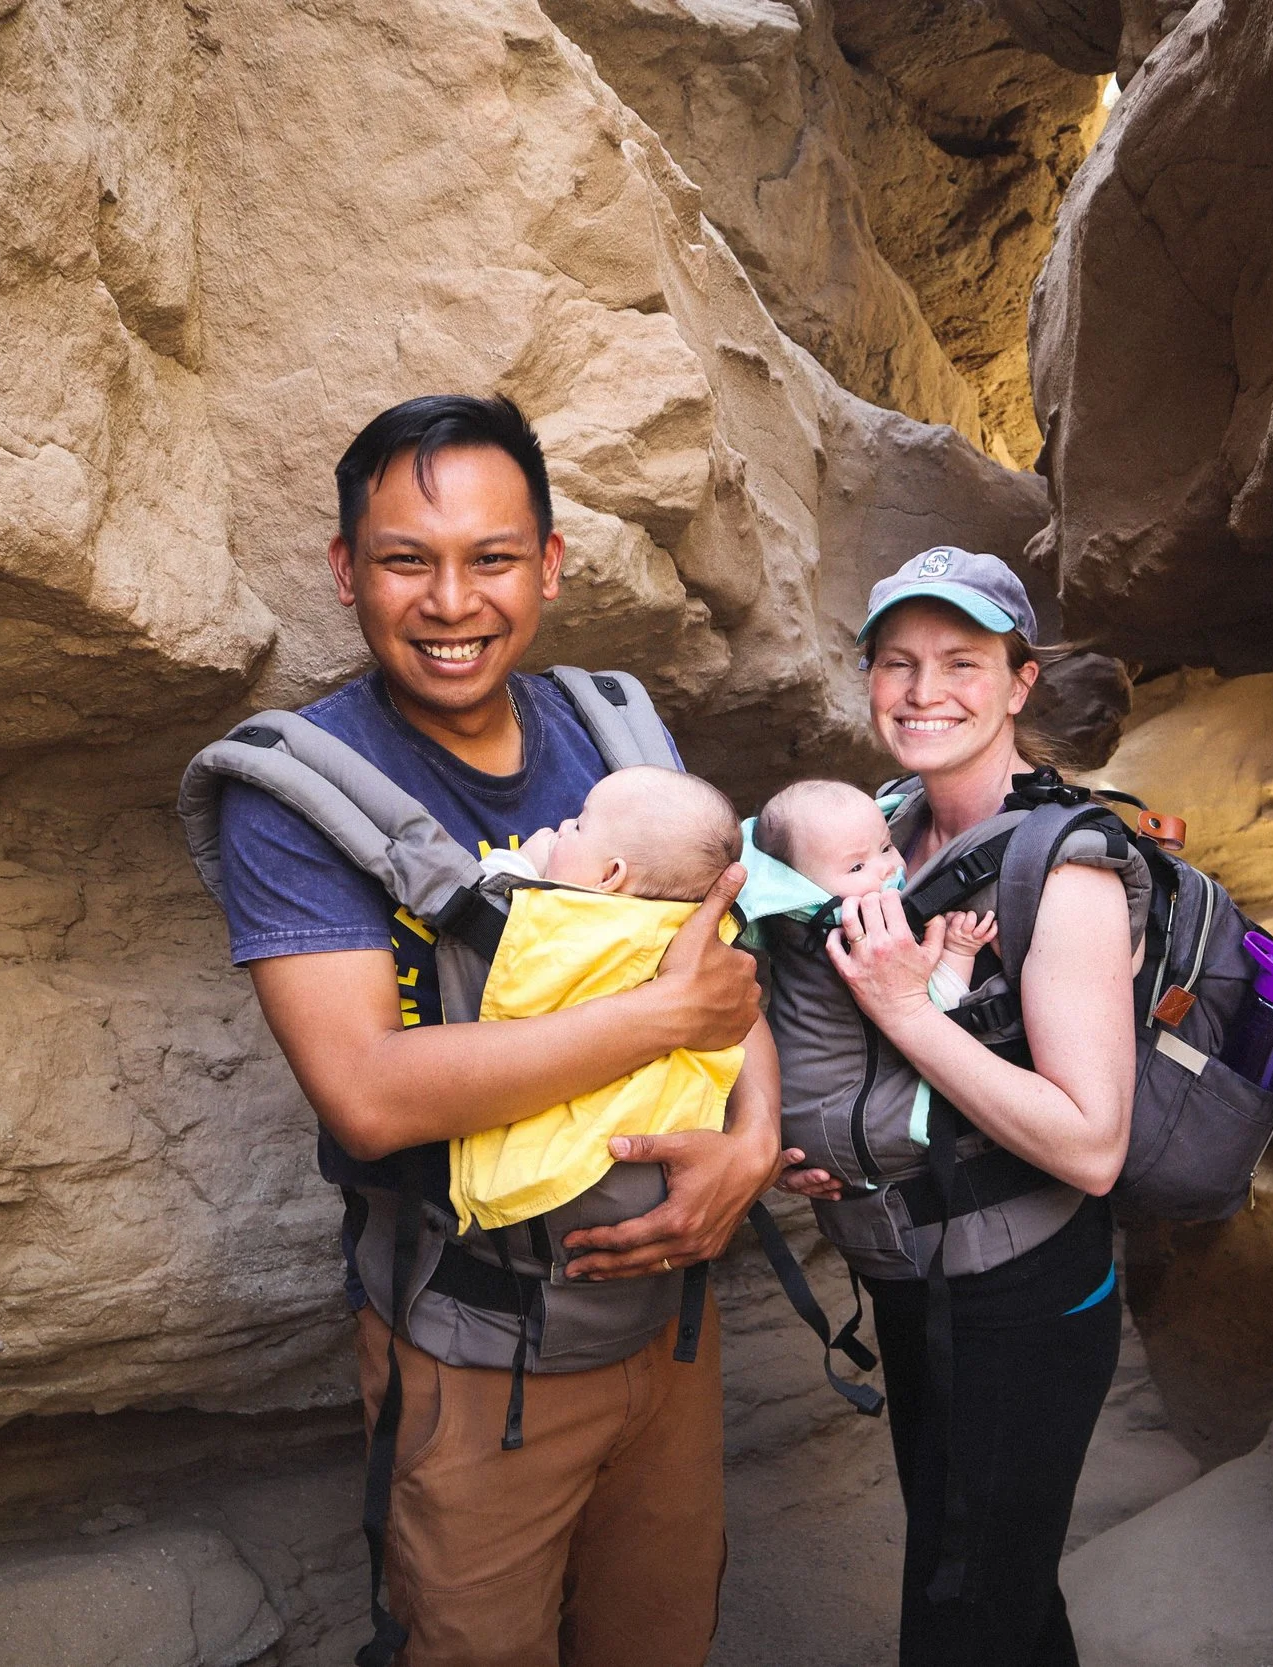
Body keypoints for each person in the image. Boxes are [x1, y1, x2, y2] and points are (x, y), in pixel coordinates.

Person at [211, 394, 786, 1667]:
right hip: (473, 1350)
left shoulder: (618, 738)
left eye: (491, 557)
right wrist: (659, 1016)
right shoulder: (299, 790)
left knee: (661, 1630)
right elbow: (370, 1092)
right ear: (346, 570)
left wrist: (755, 1137)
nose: (451, 601)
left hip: (668, 1316)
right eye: (405, 559)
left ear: (550, 563)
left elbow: (721, 960)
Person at [771, 547, 1145, 1667]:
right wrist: (809, 1144)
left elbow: (1092, 1144)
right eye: (896, 661)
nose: (921, 689)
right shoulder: (874, 832)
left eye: (960, 661)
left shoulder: (1064, 871)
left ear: (1021, 681)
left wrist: (906, 1008)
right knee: (992, 1584)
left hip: (1023, 1295)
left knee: (963, 1602)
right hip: (912, 1275)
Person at [454, 767, 749, 1234]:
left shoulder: (569, 926)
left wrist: (522, 866)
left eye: (577, 825)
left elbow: (518, 983)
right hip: (653, 1154)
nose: (560, 827)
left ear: (610, 876)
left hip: (563, 1157)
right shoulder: (688, 928)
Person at [746, 777, 997, 1012]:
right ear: (800, 887)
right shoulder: (860, 938)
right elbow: (938, 1011)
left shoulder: (783, 925)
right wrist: (958, 951)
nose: (888, 867)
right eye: (857, 867)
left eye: (886, 847)